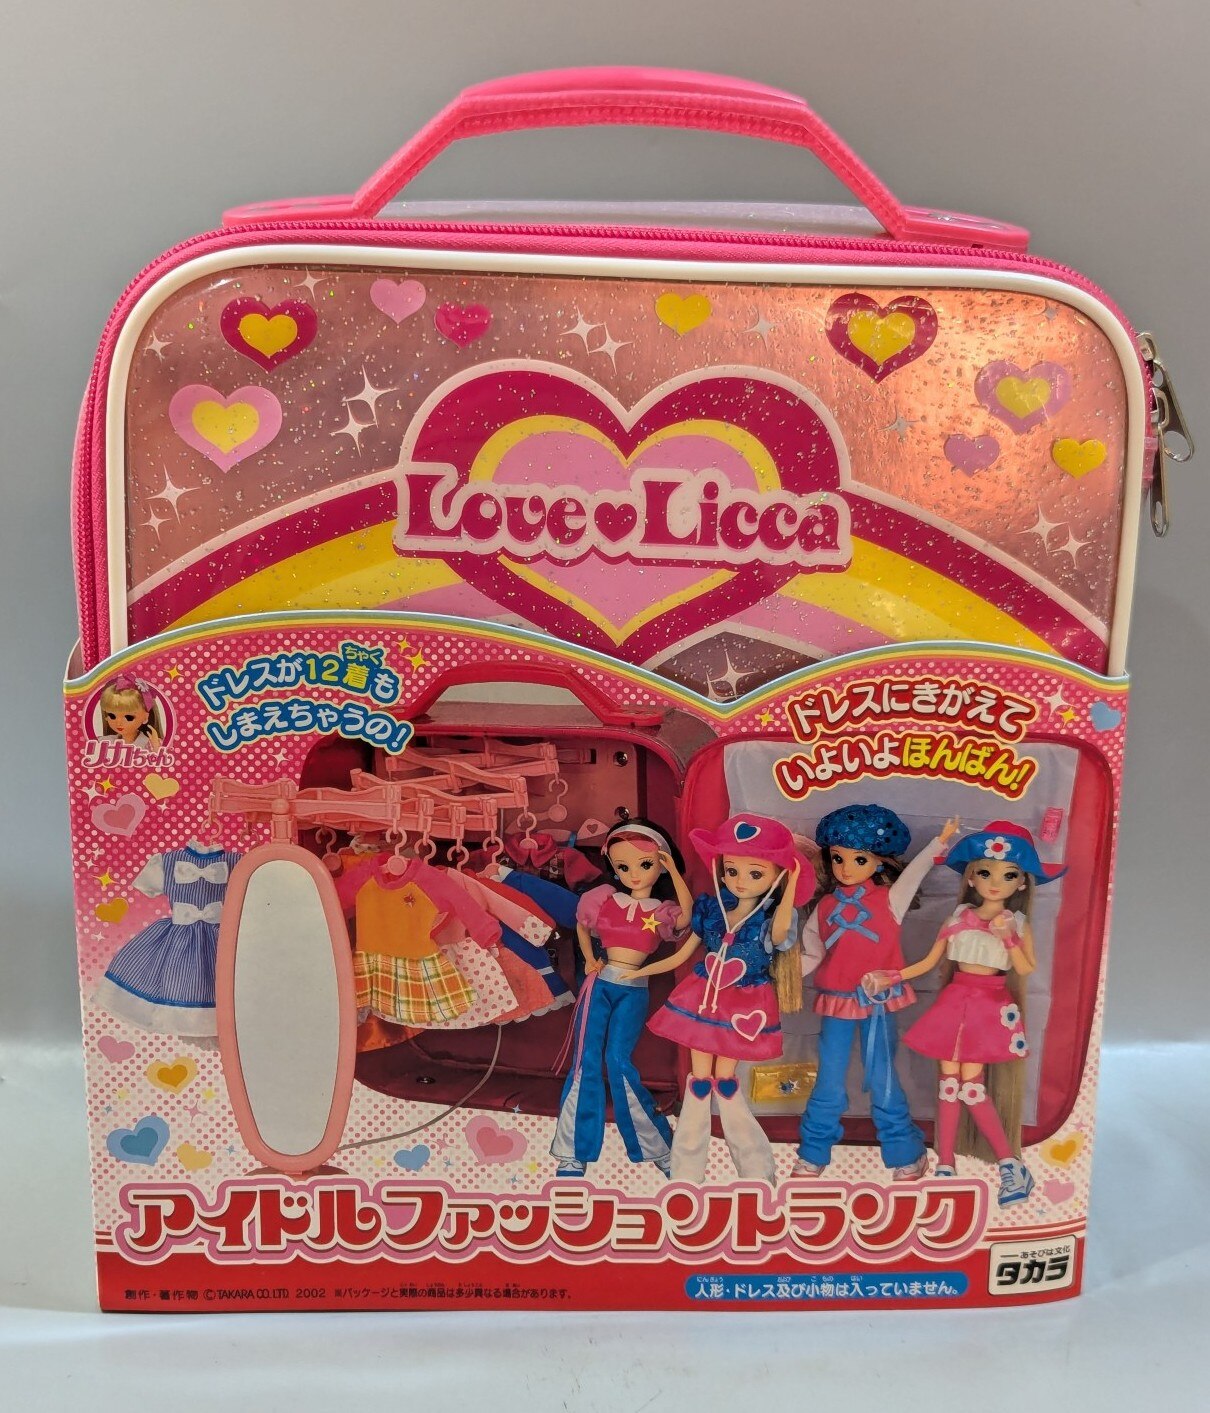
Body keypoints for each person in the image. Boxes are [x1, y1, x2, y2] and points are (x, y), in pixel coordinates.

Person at [892, 821, 1065, 1206]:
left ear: (1022, 884)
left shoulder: (1017, 923)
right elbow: (929, 962)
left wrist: (1009, 938)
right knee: (949, 1084)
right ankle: (945, 1163)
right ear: (971, 877)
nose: (995, 883)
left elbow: (1025, 968)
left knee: (970, 1086)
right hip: (955, 1001)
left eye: (1008, 875)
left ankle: (1009, 1164)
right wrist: (893, 975)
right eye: (986, 873)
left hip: (988, 1005)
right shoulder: (957, 917)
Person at [641, 814, 811, 1183]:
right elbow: (683, 952)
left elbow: (781, 933)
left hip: (745, 1003)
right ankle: (686, 1172)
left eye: (755, 873)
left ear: (777, 877)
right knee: (699, 1081)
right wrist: (642, 970)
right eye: (731, 870)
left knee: (726, 1080)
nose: (739, 880)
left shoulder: (768, 921)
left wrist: (792, 882)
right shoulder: (712, 911)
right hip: (703, 996)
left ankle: (756, 1169)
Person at [794, 804, 959, 1180]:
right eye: (838, 858)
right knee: (828, 1077)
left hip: (878, 1000)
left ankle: (905, 1152)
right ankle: (814, 1151)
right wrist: (778, 976)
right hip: (837, 999)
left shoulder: (890, 899)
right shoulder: (825, 906)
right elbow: (812, 954)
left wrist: (939, 842)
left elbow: (916, 872)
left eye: (859, 859)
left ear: (879, 861)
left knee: (883, 1075)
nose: (845, 868)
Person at [550, 820, 692, 1179]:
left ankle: (658, 1147)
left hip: (634, 988)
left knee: (618, 1060)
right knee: (585, 1061)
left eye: (645, 864)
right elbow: (582, 926)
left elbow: (686, 920)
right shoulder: (604, 899)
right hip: (599, 983)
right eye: (623, 866)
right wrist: (589, 958)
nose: (634, 874)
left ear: (660, 864)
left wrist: (675, 871)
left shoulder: (663, 911)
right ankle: (573, 1153)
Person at [98, 673, 163, 750]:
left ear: (145, 717)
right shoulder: (103, 742)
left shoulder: (151, 745)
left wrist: (156, 749)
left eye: (129, 717)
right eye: (112, 716)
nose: (118, 723)